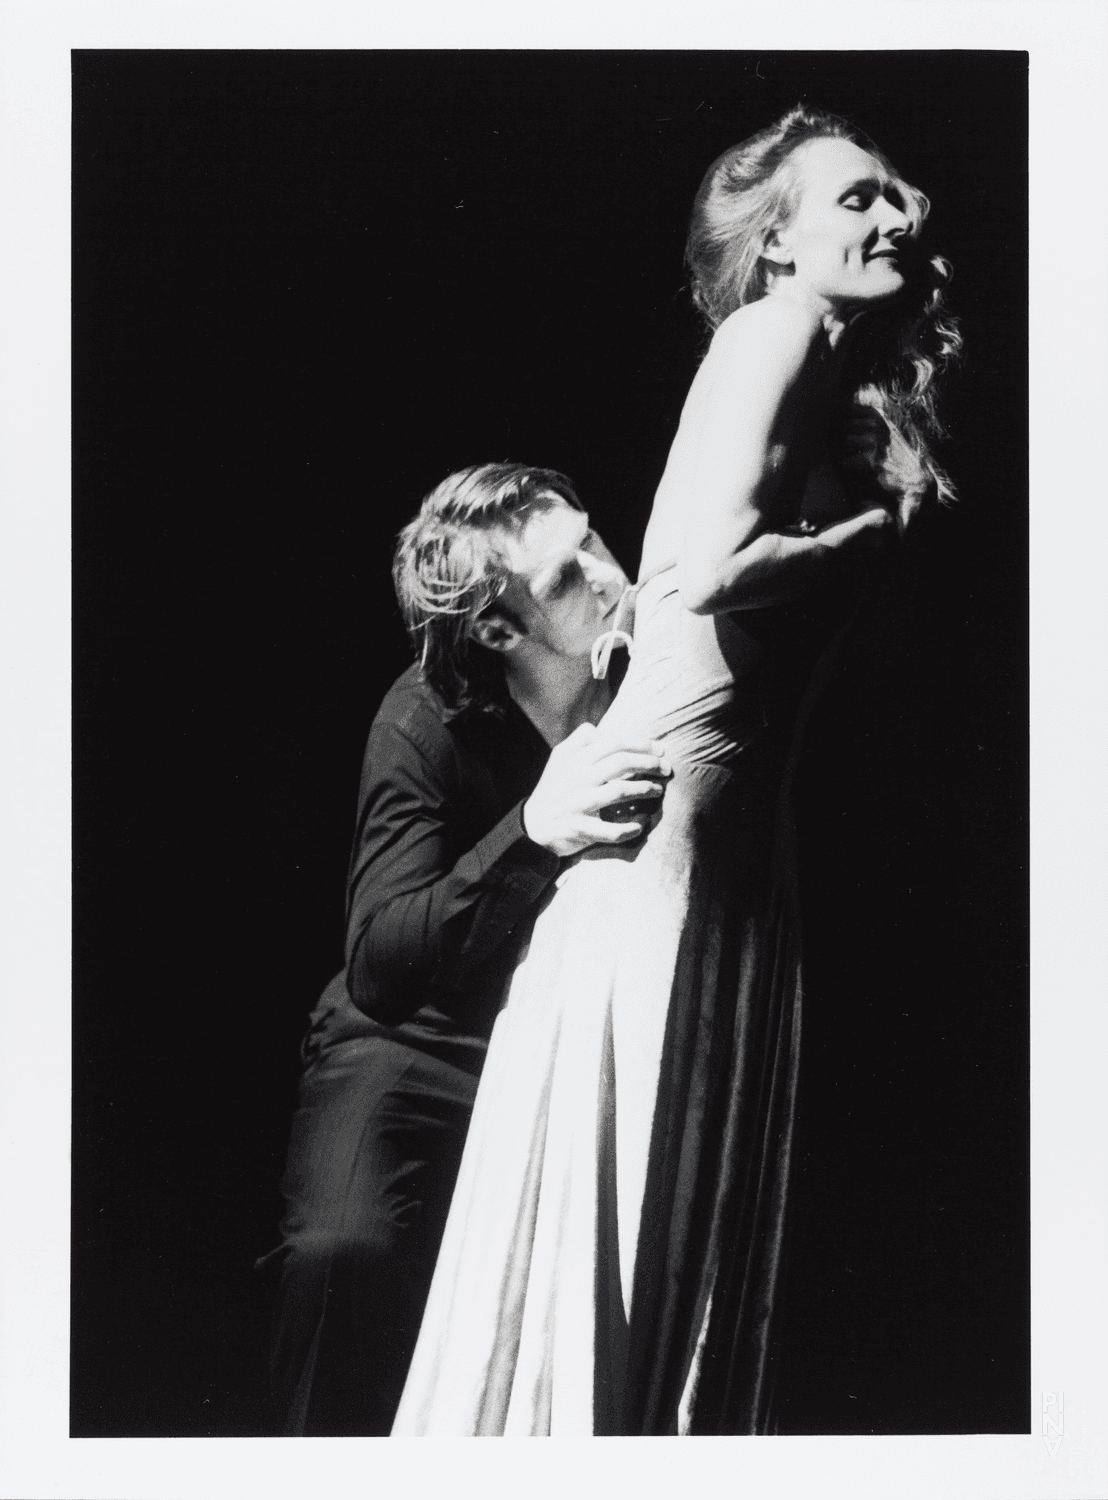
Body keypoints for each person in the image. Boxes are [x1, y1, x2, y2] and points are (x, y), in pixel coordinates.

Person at [392, 106, 961, 1436]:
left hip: (730, 854)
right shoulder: (773, 336)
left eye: (896, 196)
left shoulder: (817, 364)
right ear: (776, 246)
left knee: (673, 1250)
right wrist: (866, 543)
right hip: (670, 859)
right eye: (855, 200)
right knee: (632, 1249)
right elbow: (701, 573)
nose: (895, 220)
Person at [264, 461, 672, 1435]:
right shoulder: (421, 720)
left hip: (566, 1036)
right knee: (341, 1252)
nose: (611, 576)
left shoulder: (643, 652)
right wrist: (532, 825)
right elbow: (379, 961)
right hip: (417, 1045)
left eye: (593, 540)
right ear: (496, 630)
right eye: (569, 580)